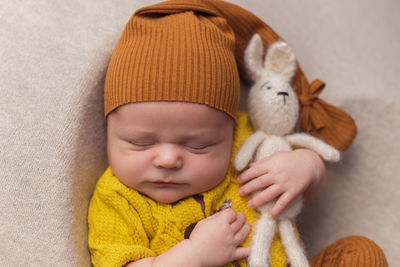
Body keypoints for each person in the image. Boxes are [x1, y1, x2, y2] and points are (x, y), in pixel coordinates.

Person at [88, 1, 388, 266]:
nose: (167, 159)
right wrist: (193, 255)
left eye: (198, 145)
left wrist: (306, 167)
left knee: (360, 254)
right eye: (140, 143)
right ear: (109, 130)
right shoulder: (117, 200)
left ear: (229, 129)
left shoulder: (246, 143)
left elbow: (305, 181)